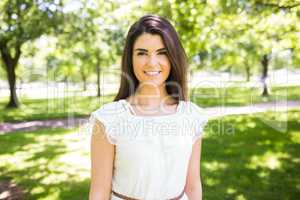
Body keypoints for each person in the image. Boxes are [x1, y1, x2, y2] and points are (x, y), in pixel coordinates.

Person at [88, 14, 208, 200]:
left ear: (172, 57)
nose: (152, 62)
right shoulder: (108, 119)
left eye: (162, 52)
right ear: (131, 58)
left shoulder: (191, 116)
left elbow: (192, 186)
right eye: (142, 53)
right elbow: (99, 191)